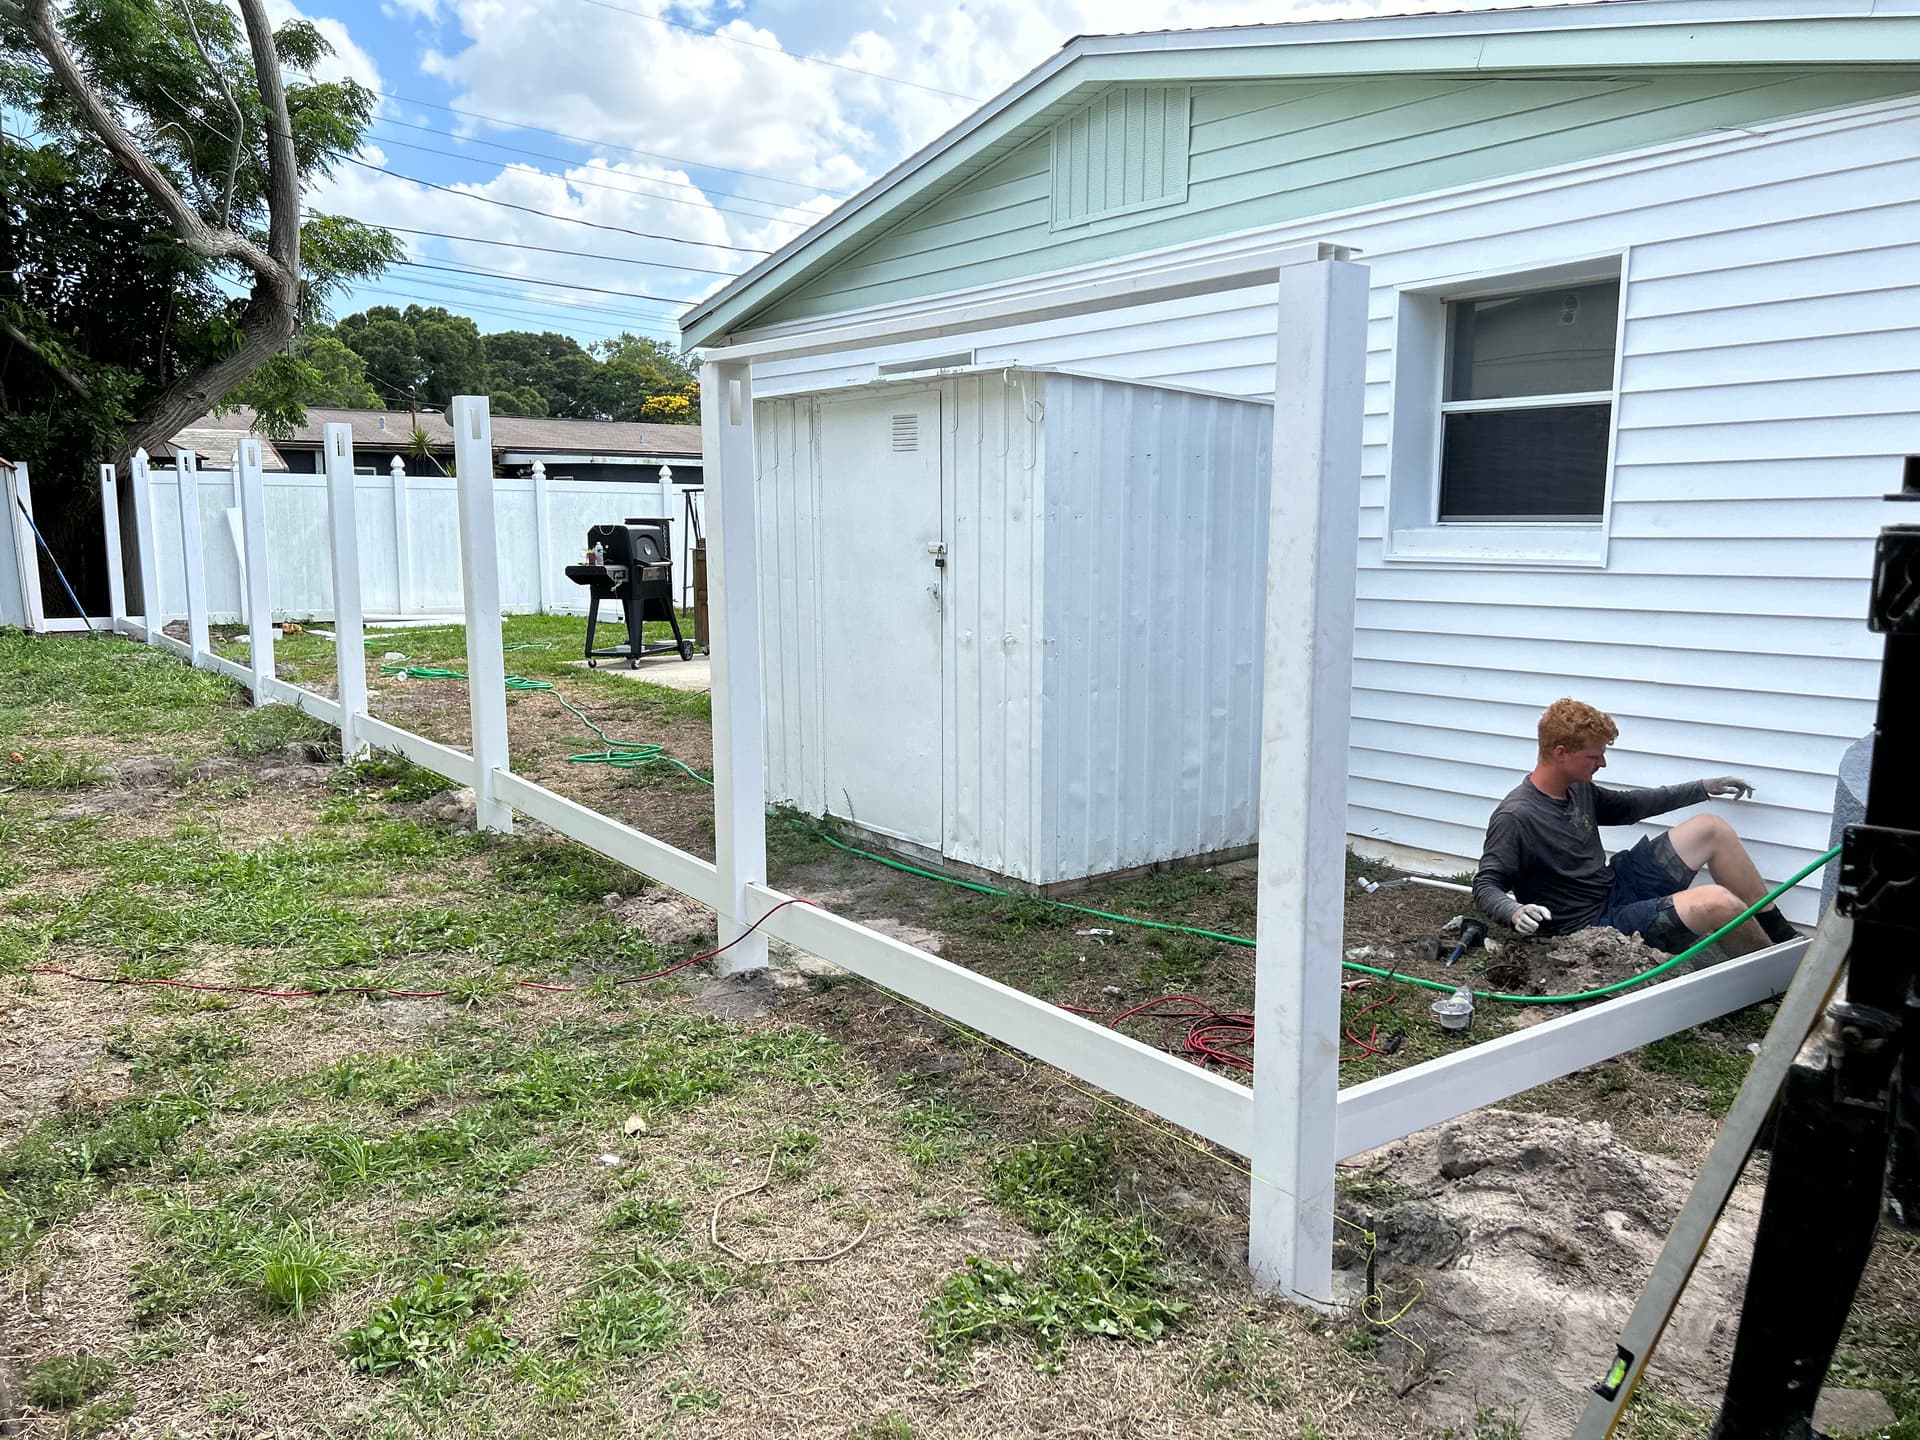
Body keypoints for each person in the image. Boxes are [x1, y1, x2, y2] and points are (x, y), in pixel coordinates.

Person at [1472, 698, 1799, 956]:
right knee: (1718, 903)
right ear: (1560, 753)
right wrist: (1514, 911)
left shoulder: (1577, 786)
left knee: (1709, 828)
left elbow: (1628, 807)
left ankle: (1783, 937)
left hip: (1614, 888)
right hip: (1587, 926)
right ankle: (1775, 974)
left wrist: (1701, 787)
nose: (1602, 763)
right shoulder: (1516, 816)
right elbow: (1486, 885)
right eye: (1593, 756)